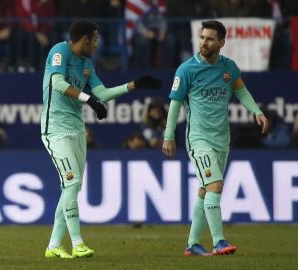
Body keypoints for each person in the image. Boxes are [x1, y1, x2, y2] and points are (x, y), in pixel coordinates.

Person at [41, 19, 162, 259]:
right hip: (55, 130)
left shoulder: (86, 64)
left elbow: (103, 94)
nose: (97, 45)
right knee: (72, 184)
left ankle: (54, 245)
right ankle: (77, 244)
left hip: (77, 130)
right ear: (85, 38)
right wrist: (89, 100)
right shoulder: (60, 51)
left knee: (71, 188)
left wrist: (134, 85)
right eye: (95, 40)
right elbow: (57, 83)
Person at [162, 20, 269, 256]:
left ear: (221, 42)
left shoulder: (229, 68)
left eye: (209, 39)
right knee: (215, 185)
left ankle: (192, 244)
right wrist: (169, 135)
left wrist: (256, 111)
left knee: (205, 190)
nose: (203, 42)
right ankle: (219, 241)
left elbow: (240, 90)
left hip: (222, 139)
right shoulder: (186, 69)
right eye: (201, 37)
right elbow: (175, 103)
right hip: (199, 139)